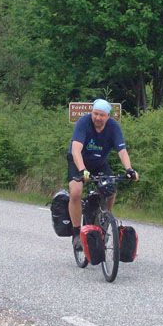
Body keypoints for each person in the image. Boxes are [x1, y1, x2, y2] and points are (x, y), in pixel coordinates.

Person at [67, 98, 138, 250]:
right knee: (76, 192)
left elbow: (122, 151)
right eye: (95, 114)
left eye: (102, 115)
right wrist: (82, 170)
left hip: (99, 163)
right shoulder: (83, 123)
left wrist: (129, 169)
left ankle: (104, 219)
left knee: (111, 190)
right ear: (91, 113)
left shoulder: (113, 127)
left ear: (108, 116)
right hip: (78, 162)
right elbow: (76, 150)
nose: (98, 118)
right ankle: (76, 233)